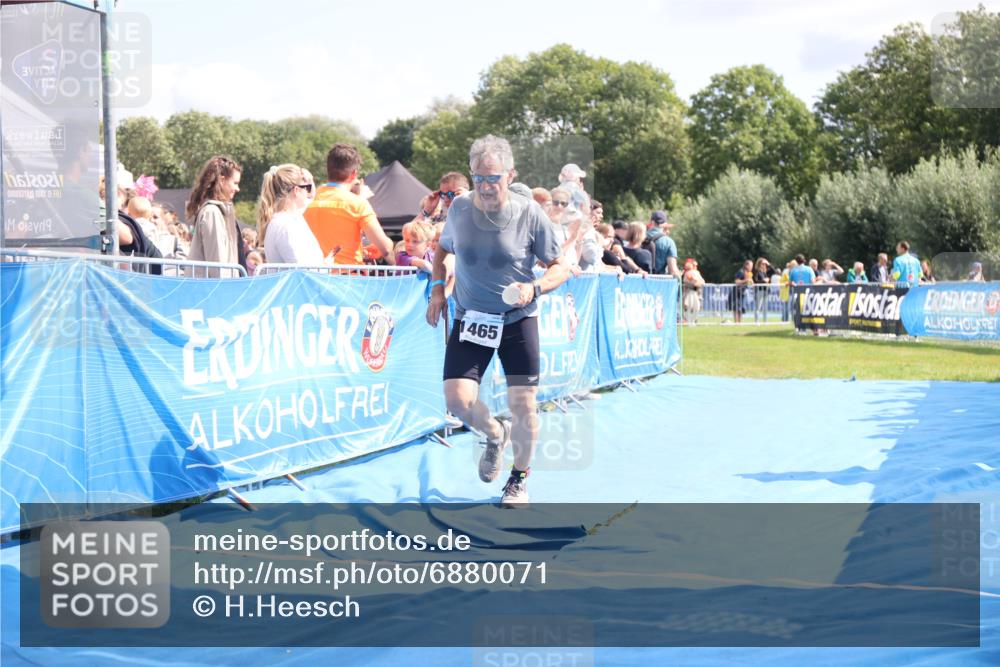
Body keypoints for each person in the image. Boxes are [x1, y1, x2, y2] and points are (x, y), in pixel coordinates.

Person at [426, 134, 568, 508]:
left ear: (510, 175)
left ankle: (518, 480)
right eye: (479, 179)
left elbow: (561, 267)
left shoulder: (529, 213)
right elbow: (442, 250)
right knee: (456, 400)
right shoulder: (458, 209)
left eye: (494, 178)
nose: (486, 187)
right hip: (472, 317)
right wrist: (438, 290)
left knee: (523, 402)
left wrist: (533, 288)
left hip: (517, 320)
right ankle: (493, 433)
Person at [304, 143, 394, 265]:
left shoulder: (308, 200)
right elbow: (386, 249)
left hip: (316, 277)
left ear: (328, 170)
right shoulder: (358, 204)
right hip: (349, 279)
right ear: (354, 174)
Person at [186, 155, 244, 278]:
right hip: (214, 290)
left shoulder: (216, 211)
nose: (237, 189)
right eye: (235, 183)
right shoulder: (212, 212)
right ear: (222, 181)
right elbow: (217, 261)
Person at [257, 163, 325, 265]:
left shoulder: (288, 219)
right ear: (296, 190)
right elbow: (300, 268)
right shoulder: (286, 225)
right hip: (300, 280)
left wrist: (309, 181)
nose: (308, 192)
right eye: (307, 188)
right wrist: (324, 267)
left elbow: (311, 197)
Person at [645, 210, 680, 277]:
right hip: (659, 282)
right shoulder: (669, 242)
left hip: (640, 280)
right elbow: (672, 270)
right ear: (665, 224)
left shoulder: (641, 237)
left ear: (652, 222)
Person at [682, 258, 705, 324]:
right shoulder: (687, 273)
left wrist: (698, 283)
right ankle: (688, 321)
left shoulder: (697, 272)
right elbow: (687, 282)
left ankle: (692, 320)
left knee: (697, 307)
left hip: (695, 293)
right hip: (689, 292)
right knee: (688, 306)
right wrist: (694, 283)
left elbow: (702, 281)